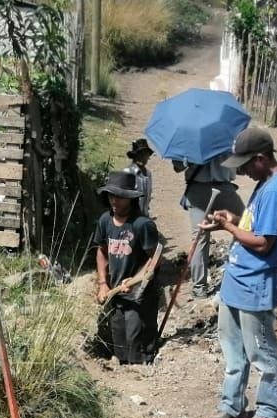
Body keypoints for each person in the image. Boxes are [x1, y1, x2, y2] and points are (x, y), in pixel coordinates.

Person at [200, 126, 277, 418]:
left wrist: (230, 230)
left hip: (256, 282)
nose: (241, 171)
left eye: (244, 165)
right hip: (236, 280)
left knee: (261, 351)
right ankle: (232, 404)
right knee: (232, 350)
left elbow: (262, 242)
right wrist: (230, 221)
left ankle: (269, 408)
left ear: (260, 158)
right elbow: (252, 226)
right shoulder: (265, 184)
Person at [92, 169, 165, 365]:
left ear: (131, 199)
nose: (115, 201)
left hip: (140, 296)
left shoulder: (142, 225)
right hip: (116, 295)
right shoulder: (105, 221)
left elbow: (155, 258)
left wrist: (135, 280)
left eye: (121, 197)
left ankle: (142, 376)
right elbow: (101, 251)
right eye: (112, 196)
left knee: (137, 343)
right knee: (119, 343)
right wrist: (102, 283)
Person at [173, 153, 237, 298]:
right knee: (247, 227)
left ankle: (199, 288)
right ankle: (247, 275)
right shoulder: (229, 134)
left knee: (199, 238)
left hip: (198, 190)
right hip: (226, 188)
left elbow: (178, 167)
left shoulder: (188, 135)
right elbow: (238, 167)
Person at [123, 138, 154, 214]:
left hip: (144, 216)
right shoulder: (127, 172)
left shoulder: (148, 174)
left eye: (145, 155)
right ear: (134, 156)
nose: (143, 158)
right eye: (140, 154)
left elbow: (148, 196)